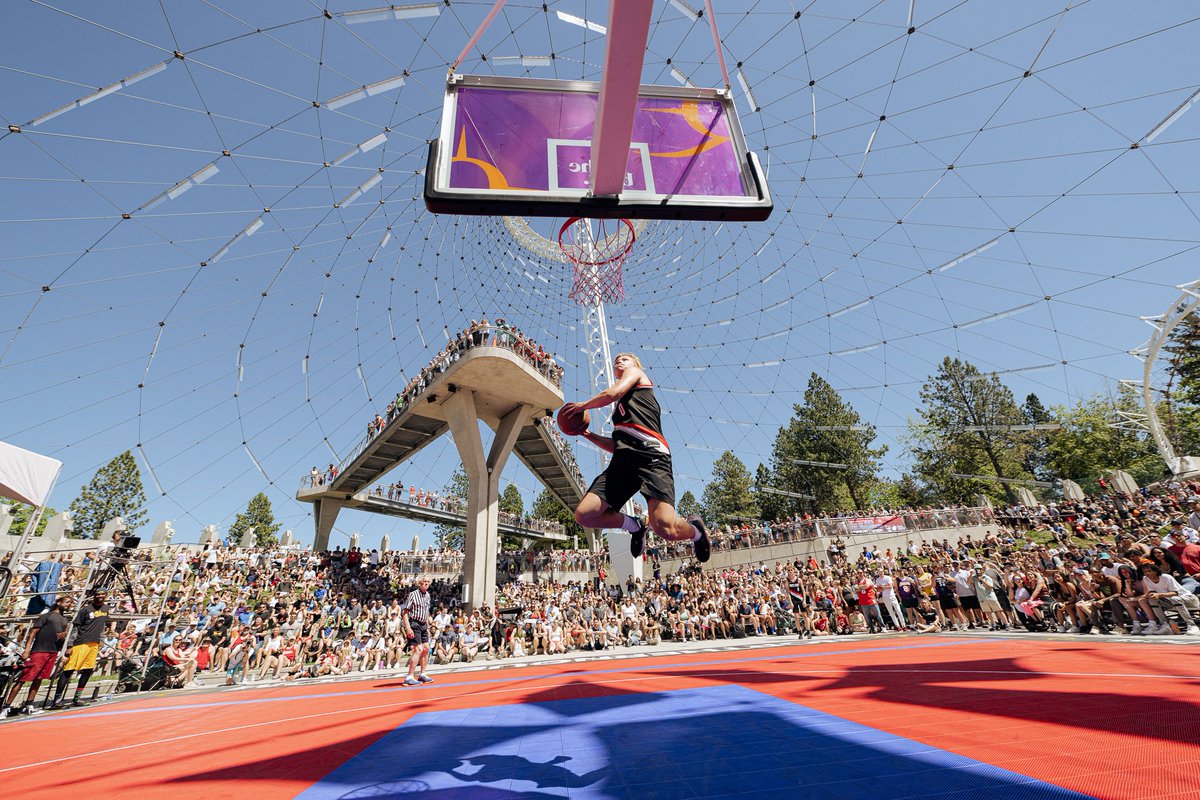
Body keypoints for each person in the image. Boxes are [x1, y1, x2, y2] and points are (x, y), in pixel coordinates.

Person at [563, 353, 710, 563]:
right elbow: (618, 445)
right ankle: (635, 525)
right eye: (617, 360)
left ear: (635, 365)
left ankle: (696, 531)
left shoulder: (636, 375)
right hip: (623, 463)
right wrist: (587, 434)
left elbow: (612, 393)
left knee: (665, 529)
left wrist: (582, 406)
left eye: (625, 359)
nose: (619, 361)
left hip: (651, 457)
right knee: (585, 515)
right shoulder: (620, 411)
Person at [2, 596, 71, 717]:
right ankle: (6, 707)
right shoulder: (46, 616)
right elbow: (32, 633)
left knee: (39, 679)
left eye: (71, 603)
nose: (69, 605)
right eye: (67, 602)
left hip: (53, 652)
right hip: (39, 650)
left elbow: (61, 639)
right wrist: (27, 650)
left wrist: (64, 635)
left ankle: (29, 705)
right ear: (59, 602)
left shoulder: (65, 620)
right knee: (23, 678)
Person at [50, 589, 110, 708]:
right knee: (69, 670)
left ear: (106, 596)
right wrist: (70, 645)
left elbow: (102, 625)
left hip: (94, 644)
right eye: (98, 594)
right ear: (94, 596)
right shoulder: (85, 610)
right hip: (81, 643)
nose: (100, 596)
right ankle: (56, 700)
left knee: (87, 670)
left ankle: (77, 698)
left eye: (103, 594)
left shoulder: (106, 609)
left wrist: (101, 639)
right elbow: (75, 628)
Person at [401, 576, 434, 685]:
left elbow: (426, 611)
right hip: (414, 623)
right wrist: (408, 627)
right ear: (420, 583)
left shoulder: (428, 595)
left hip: (424, 624)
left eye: (428, 582)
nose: (426, 583)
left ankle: (422, 674)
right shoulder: (413, 595)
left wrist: (428, 625)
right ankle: (409, 676)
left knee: (426, 649)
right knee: (418, 650)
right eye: (424, 581)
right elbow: (405, 612)